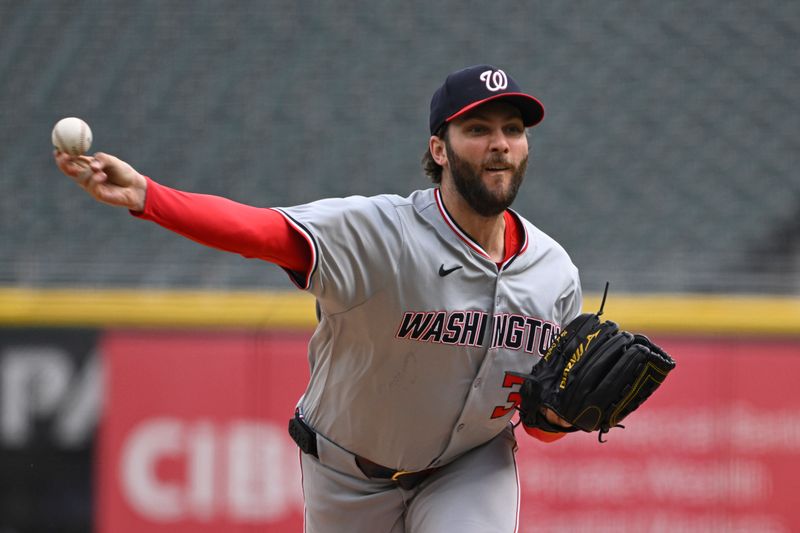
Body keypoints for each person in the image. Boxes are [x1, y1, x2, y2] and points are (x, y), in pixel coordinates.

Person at [55, 65, 581, 533]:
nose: (500, 144)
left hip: (470, 468)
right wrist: (150, 196)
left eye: (513, 130)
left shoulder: (554, 274)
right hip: (347, 475)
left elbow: (542, 420)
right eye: (478, 129)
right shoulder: (382, 234)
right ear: (438, 149)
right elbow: (261, 232)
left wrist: (559, 419)